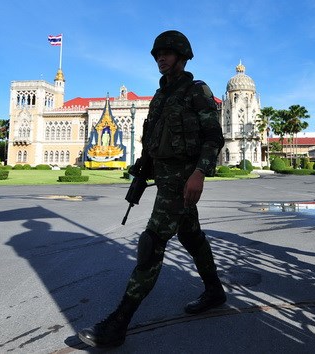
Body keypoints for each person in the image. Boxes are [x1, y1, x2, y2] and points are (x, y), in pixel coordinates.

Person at [78, 30, 226, 348]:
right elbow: (153, 140)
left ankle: (118, 324)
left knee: (151, 243)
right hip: (164, 177)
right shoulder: (160, 97)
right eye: (158, 53)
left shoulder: (196, 90)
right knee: (190, 235)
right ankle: (215, 291)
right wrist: (142, 167)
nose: (161, 57)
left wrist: (200, 173)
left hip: (182, 178)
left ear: (183, 56)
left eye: (168, 53)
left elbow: (214, 136)